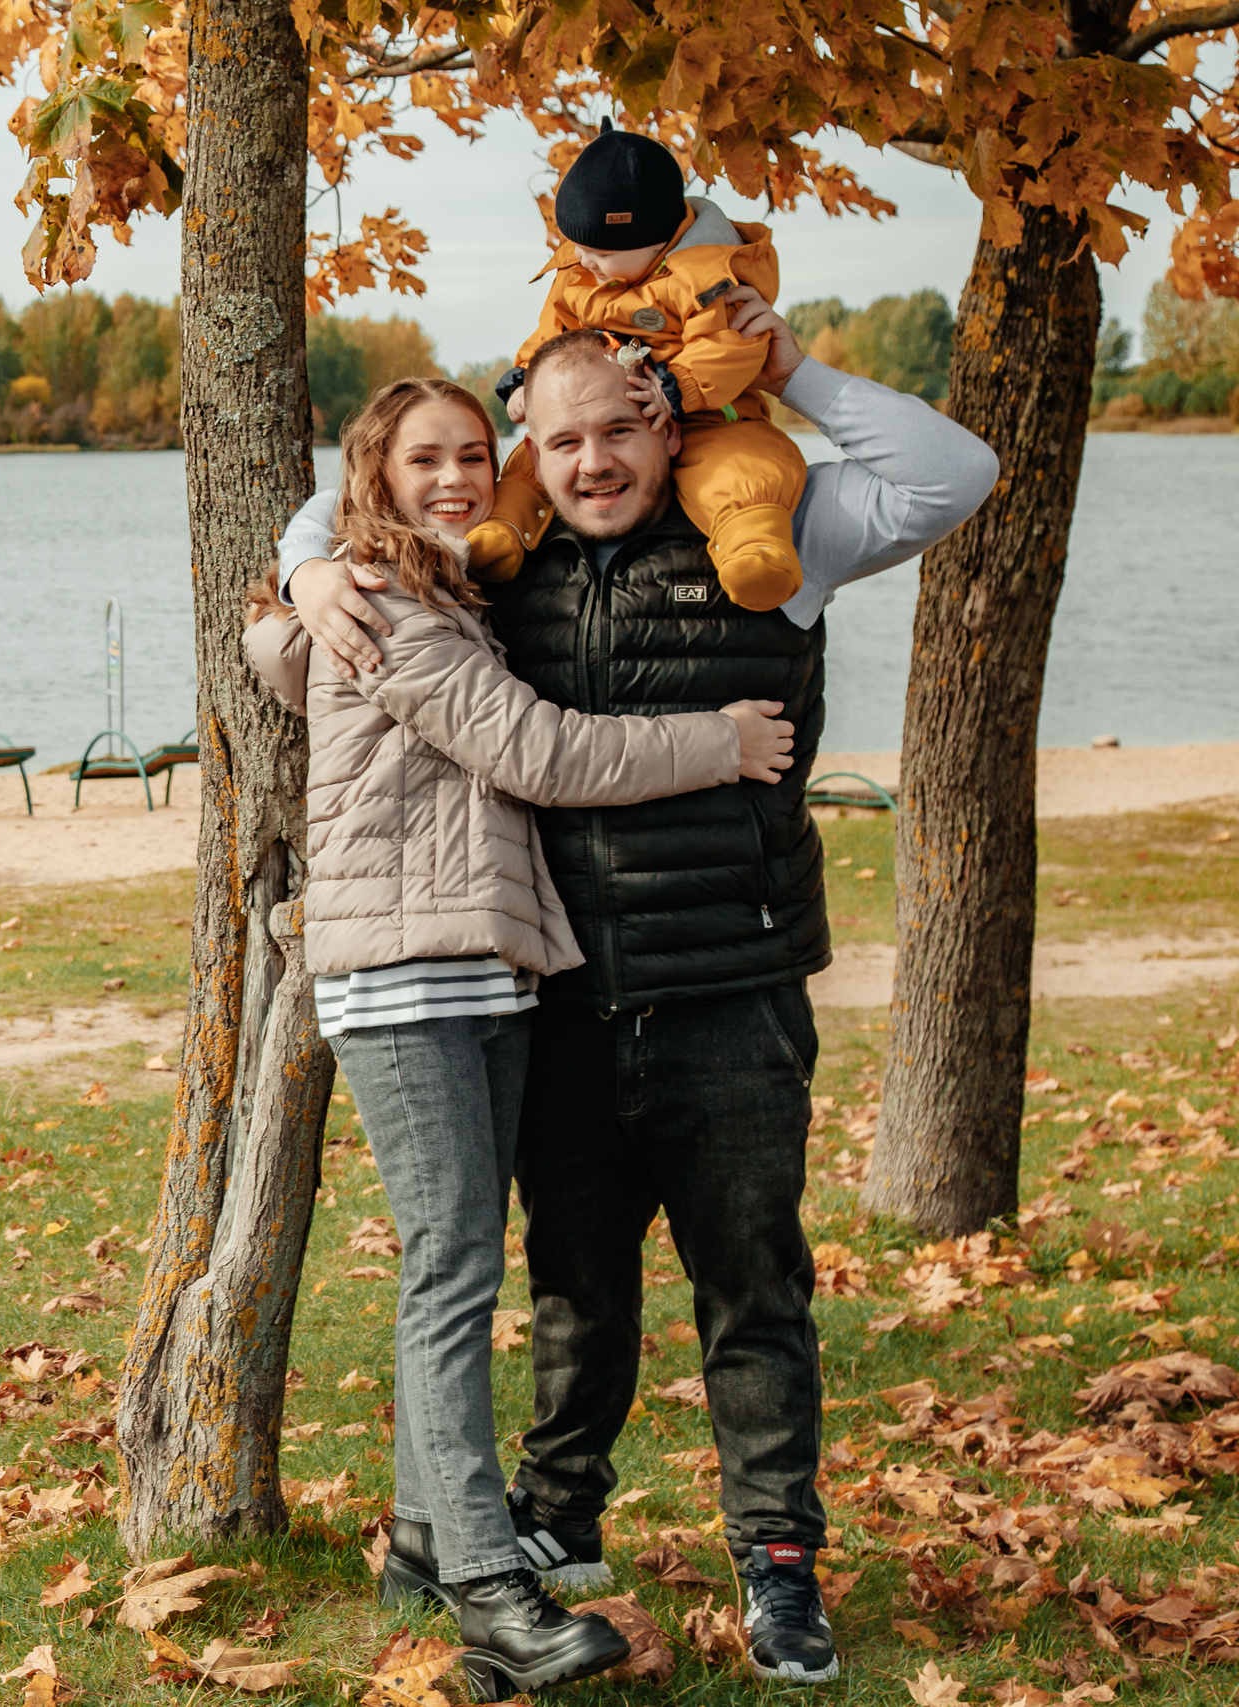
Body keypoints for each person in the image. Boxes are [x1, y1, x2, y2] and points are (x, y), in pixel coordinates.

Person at [271, 299, 999, 1688]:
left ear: (671, 424)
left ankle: (778, 1560)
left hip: (729, 981)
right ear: (531, 450)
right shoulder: (502, 567)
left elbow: (952, 476)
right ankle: (553, 1529)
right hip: (553, 996)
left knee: (753, 1289)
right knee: (574, 1292)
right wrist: (306, 563)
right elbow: (388, 483)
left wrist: (784, 370)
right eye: (562, 438)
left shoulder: (778, 546)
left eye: (620, 428)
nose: (592, 460)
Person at [242, 375, 800, 1698]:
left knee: (458, 1258)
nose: (453, 477)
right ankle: (491, 1585)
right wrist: (716, 740)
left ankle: (428, 1538)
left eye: (472, 456)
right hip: (407, 972)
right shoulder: (383, 605)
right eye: (423, 458)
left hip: (477, 971)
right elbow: (540, 751)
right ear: (373, 477)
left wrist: (300, 575)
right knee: (449, 1270)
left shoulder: (429, 595)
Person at [465, 124, 809, 614]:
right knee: (537, 460)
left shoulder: (710, 276)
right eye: (579, 247)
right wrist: (525, 376)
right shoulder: (581, 273)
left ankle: (753, 548)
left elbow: (729, 345)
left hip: (710, 412)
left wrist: (677, 387)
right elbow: (551, 334)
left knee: (740, 467)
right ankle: (503, 533)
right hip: (599, 408)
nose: (586, 262)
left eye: (602, 253)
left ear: (657, 244)